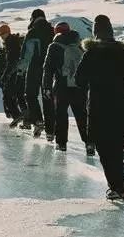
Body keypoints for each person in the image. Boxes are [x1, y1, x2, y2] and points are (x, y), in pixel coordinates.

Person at [75, 14, 124, 201]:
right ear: (111, 31)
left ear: (95, 33)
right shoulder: (122, 53)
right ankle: (119, 186)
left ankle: (115, 187)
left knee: (104, 150)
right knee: (117, 149)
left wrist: (89, 85)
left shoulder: (91, 54)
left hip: (98, 108)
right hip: (120, 108)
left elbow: (79, 79)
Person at [42, 22, 89, 152]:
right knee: (82, 115)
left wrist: (46, 86)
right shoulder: (80, 45)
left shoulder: (54, 47)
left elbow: (47, 69)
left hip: (62, 86)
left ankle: (61, 143)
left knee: (61, 115)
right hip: (79, 86)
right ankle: (89, 143)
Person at [20, 9, 54, 136]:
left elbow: (27, 55)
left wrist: (20, 70)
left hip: (35, 67)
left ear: (33, 18)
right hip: (50, 69)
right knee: (47, 97)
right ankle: (50, 131)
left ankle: (38, 120)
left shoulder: (32, 32)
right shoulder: (52, 30)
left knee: (30, 95)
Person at [0, 24, 25, 127]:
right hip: (14, 73)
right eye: (0, 35)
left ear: (7, 32)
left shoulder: (11, 42)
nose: (1, 36)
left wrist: (5, 75)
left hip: (12, 74)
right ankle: (19, 116)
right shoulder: (10, 43)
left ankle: (17, 116)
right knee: (12, 96)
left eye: (2, 34)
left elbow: (12, 61)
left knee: (8, 96)